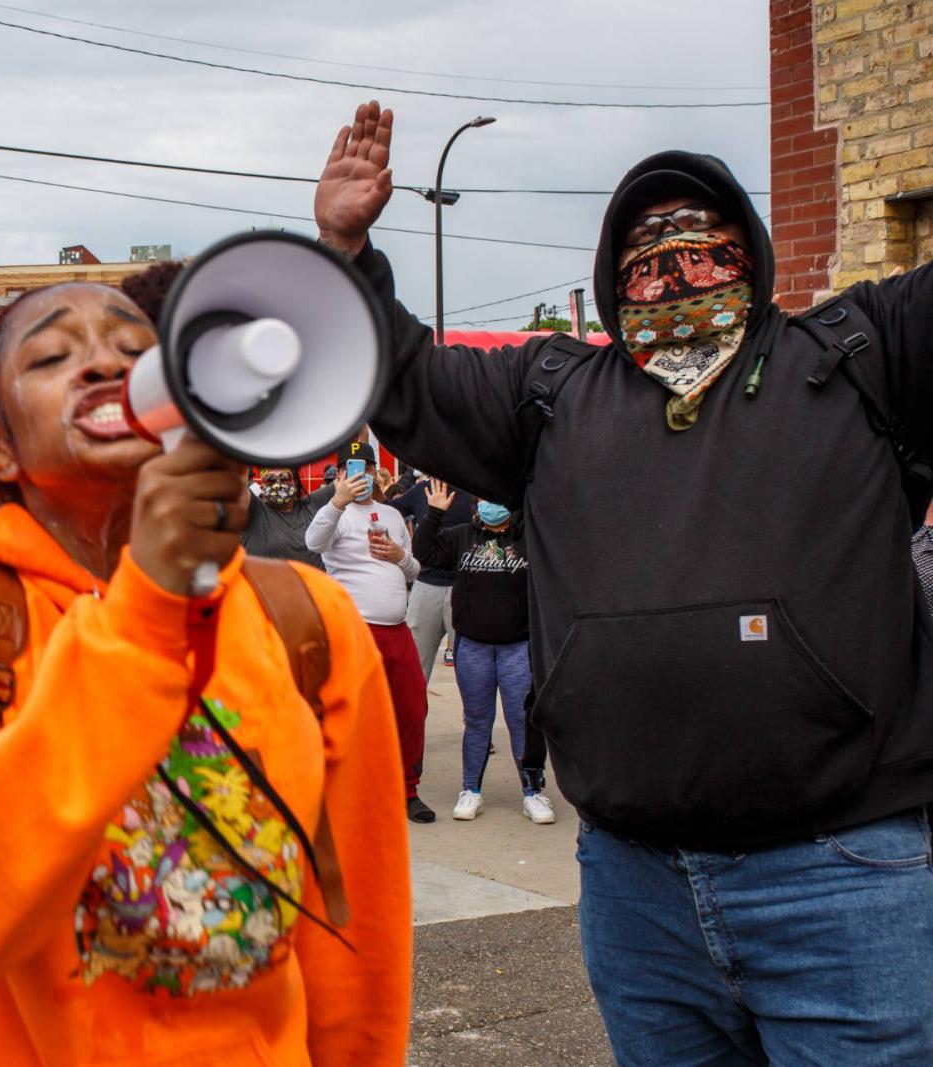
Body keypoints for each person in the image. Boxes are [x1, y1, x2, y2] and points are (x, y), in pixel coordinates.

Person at [317, 99, 933, 1064]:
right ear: (611, 280)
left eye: (702, 246)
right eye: (645, 255)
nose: (674, 270)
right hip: (638, 892)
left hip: (843, 880)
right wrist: (349, 252)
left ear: (752, 256)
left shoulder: (860, 356)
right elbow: (400, 375)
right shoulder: (552, 394)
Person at [0, 273, 411, 1065]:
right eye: (51, 355)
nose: (101, 365)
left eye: (134, 351)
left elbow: (355, 930)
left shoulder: (307, 620)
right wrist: (148, 609)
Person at [411, 481, 553, 825]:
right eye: (487, 498)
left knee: (522, 720)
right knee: (477, 721)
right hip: (473, 645)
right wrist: (433, 514)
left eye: (499, 498)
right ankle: (471, 790)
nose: (493, 504)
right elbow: (424, 553)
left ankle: (533, 791)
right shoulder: (462, 536)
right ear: (477, 502)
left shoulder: (527, 537)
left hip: (517, 647)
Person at [305, 454, 432, 823]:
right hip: (355, 627)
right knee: (352, 713)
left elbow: (414, 568)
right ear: (341, 474)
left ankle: (407, 790)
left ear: (375, 473)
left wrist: (398, 556)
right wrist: (336, 501)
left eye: (366, 469)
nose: (360, 476)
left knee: (411, 708)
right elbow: (313, 542)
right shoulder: (333, 511)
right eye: (351, 470)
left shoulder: (391, 513)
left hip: (397, 627)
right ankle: (349, 788)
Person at [396, 476, 474, 681]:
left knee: (474, 674)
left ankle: (475, 715)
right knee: (414, 669)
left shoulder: (475, 488)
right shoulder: (422, 489)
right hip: (427, 584)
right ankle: (413, 714)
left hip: (465, 586)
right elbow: (390, 508)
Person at [242, 465, 335, 569]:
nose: (278, 484)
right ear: (262, 486)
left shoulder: (312, 504)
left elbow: (345, 481)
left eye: (285, 478)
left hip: (313, 584)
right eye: (270, 479)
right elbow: (236, 479)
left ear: (295, 483)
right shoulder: (254, 510)